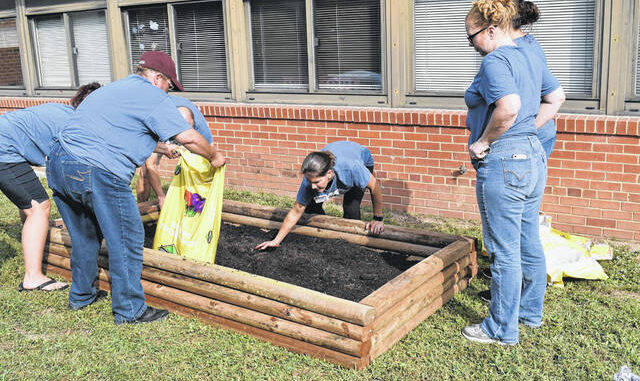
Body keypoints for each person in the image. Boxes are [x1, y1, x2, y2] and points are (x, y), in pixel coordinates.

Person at [46, 51, 226, 325]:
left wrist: (159, 147)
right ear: (157, 78)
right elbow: (188, 137)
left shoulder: (114, 89)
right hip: (98, 170)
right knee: (127, 238)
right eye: (170, 85)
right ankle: (129, 310)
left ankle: (81, 296)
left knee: (84, 237)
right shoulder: (152, 95)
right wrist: (213, 156)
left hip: (59, 164)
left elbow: (114, 130)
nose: (170, 92)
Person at [461, 0, 564, 345]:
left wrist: (483, 143)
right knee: (527, 238)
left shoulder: (495, 60)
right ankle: (530, 312)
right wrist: (527, 131)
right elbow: (556, 98)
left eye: (471, 37)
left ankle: (501, 329)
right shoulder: (529, 53)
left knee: (504, 249)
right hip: (533, 156)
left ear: (490, 30)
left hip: (505, 161)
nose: (471, 44)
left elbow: (509, 106)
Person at [0, 82, 100, 292]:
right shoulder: (74, 125)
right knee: (39, 207)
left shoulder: (59, 110)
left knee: (31, 203)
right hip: (4, 151)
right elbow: (68, 171)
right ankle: (32, 277)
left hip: (6, 146)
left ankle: (31, 232)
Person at [255, 140, 384, 251]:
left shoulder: (352, 169)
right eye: (310, 182)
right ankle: (328, 236)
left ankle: (354, 247)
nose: (312, 186)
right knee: (311, 208)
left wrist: (378, 219)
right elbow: (296, 211)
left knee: (351, 207)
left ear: (329, 173)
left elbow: (375, 187)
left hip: (360, 158)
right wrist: (276, 241)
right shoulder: (310, 180)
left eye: (316, 182)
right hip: (335, 157)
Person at [136, 96, 215, 208]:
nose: (183, 132)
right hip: (161, 128)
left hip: (185, 121)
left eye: (187, 128)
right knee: (144, 172)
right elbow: (150, 165)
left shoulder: (199, 127)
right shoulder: (157, 123)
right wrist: (161, 196)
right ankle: (141, 209)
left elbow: (211, 155)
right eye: (180, 130)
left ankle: (198, 204)